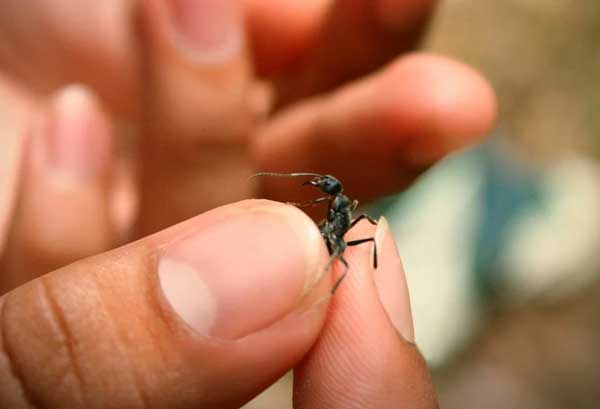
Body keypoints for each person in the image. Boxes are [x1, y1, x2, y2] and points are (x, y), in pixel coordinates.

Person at [0, 1, 496, 407]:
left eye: (323, 187)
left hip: (330, 262)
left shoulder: (344, 214)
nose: (319, 190)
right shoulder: (328, 205)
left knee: (348, 249)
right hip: (310, 255)